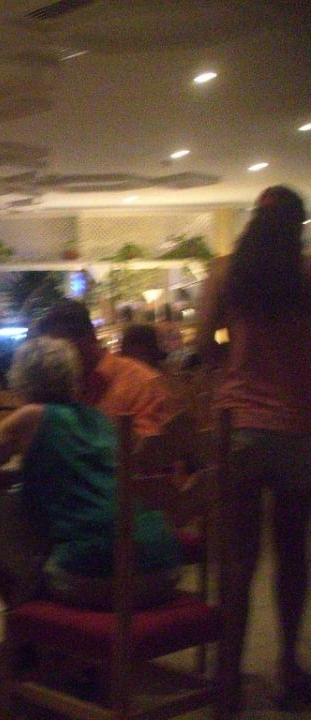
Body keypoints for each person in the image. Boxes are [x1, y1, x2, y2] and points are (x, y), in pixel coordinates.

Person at [0, 336, 182, 609]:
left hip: (102, 575)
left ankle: (23, 620)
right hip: (165, 567)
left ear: (20, 379)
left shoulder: (32, 416)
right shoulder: (98, 418)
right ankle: (28, 622)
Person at [197, 185, 311, 712]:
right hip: (296, 427)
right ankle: (287, 665)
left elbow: (203, 344)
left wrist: (232, 374)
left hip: (239, 426)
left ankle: (227, 679)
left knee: (237, 558)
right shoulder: (306, 274)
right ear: (298, 226)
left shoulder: (227, 272)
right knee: (292, 553)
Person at [35, 300, 176, 437]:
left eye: (59, 349)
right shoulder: (61, 388)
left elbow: (147, 448)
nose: (55, 358)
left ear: (89, 338)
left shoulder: (142, 383)